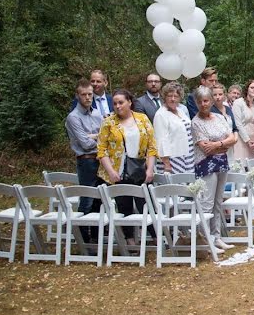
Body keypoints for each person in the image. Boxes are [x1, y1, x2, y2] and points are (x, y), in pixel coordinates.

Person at [96, 89, 157, 244]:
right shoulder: (108, 122)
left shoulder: (142, 119)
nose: (117, 106)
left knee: (146, 203)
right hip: (118, 170)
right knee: (124, 205)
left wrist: (150, 169)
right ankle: (130, 240)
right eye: (115, 103)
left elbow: (152, 146)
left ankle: (156, 236)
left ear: (130, 102)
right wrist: (110, 171)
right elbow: (101, 149)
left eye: (121, 102)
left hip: (139, 167)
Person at [191, 85, 238, 252]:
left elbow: (232, 138)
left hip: (222, 162)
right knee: (207, 203)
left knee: (218, 201)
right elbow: (205, 148)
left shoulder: (219, 117)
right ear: (196, 103)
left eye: (206, 100)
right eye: (200, 101)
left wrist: (218, 144)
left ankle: (216, 237)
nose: (203, 104)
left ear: (211, 101)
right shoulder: (196, 122)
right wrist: (223, 144)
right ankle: (206, 240)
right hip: (205, 165)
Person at [65, 79, 103, 245]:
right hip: (86, 161)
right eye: (84, 94)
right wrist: (97, 137)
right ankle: (83, 239)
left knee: (99, 200)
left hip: (100, 160)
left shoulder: (96, 114)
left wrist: (94, 137)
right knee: (86, 200)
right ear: (77, 95)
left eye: (90, 94)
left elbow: (105, 137)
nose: (88, 97)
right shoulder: (73, 117)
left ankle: (96, 237)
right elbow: (85, 144)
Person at [152, 82, 195, 175]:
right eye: (169, 96)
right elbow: (161, 141)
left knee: (188, 187)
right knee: (176, 187)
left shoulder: (180, 111)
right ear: (164, 97)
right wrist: (167, 164)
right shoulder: (161, 114)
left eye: (176, 96)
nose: (173, 99)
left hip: (187, 156)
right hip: (172, 160)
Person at [231, 79, 254, 161]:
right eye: (252, 87)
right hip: (242, 139)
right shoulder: (238, 103)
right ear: (247, 88)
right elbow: (238, 124)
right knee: (242, 165)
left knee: (253, 167)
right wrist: (247, 140)